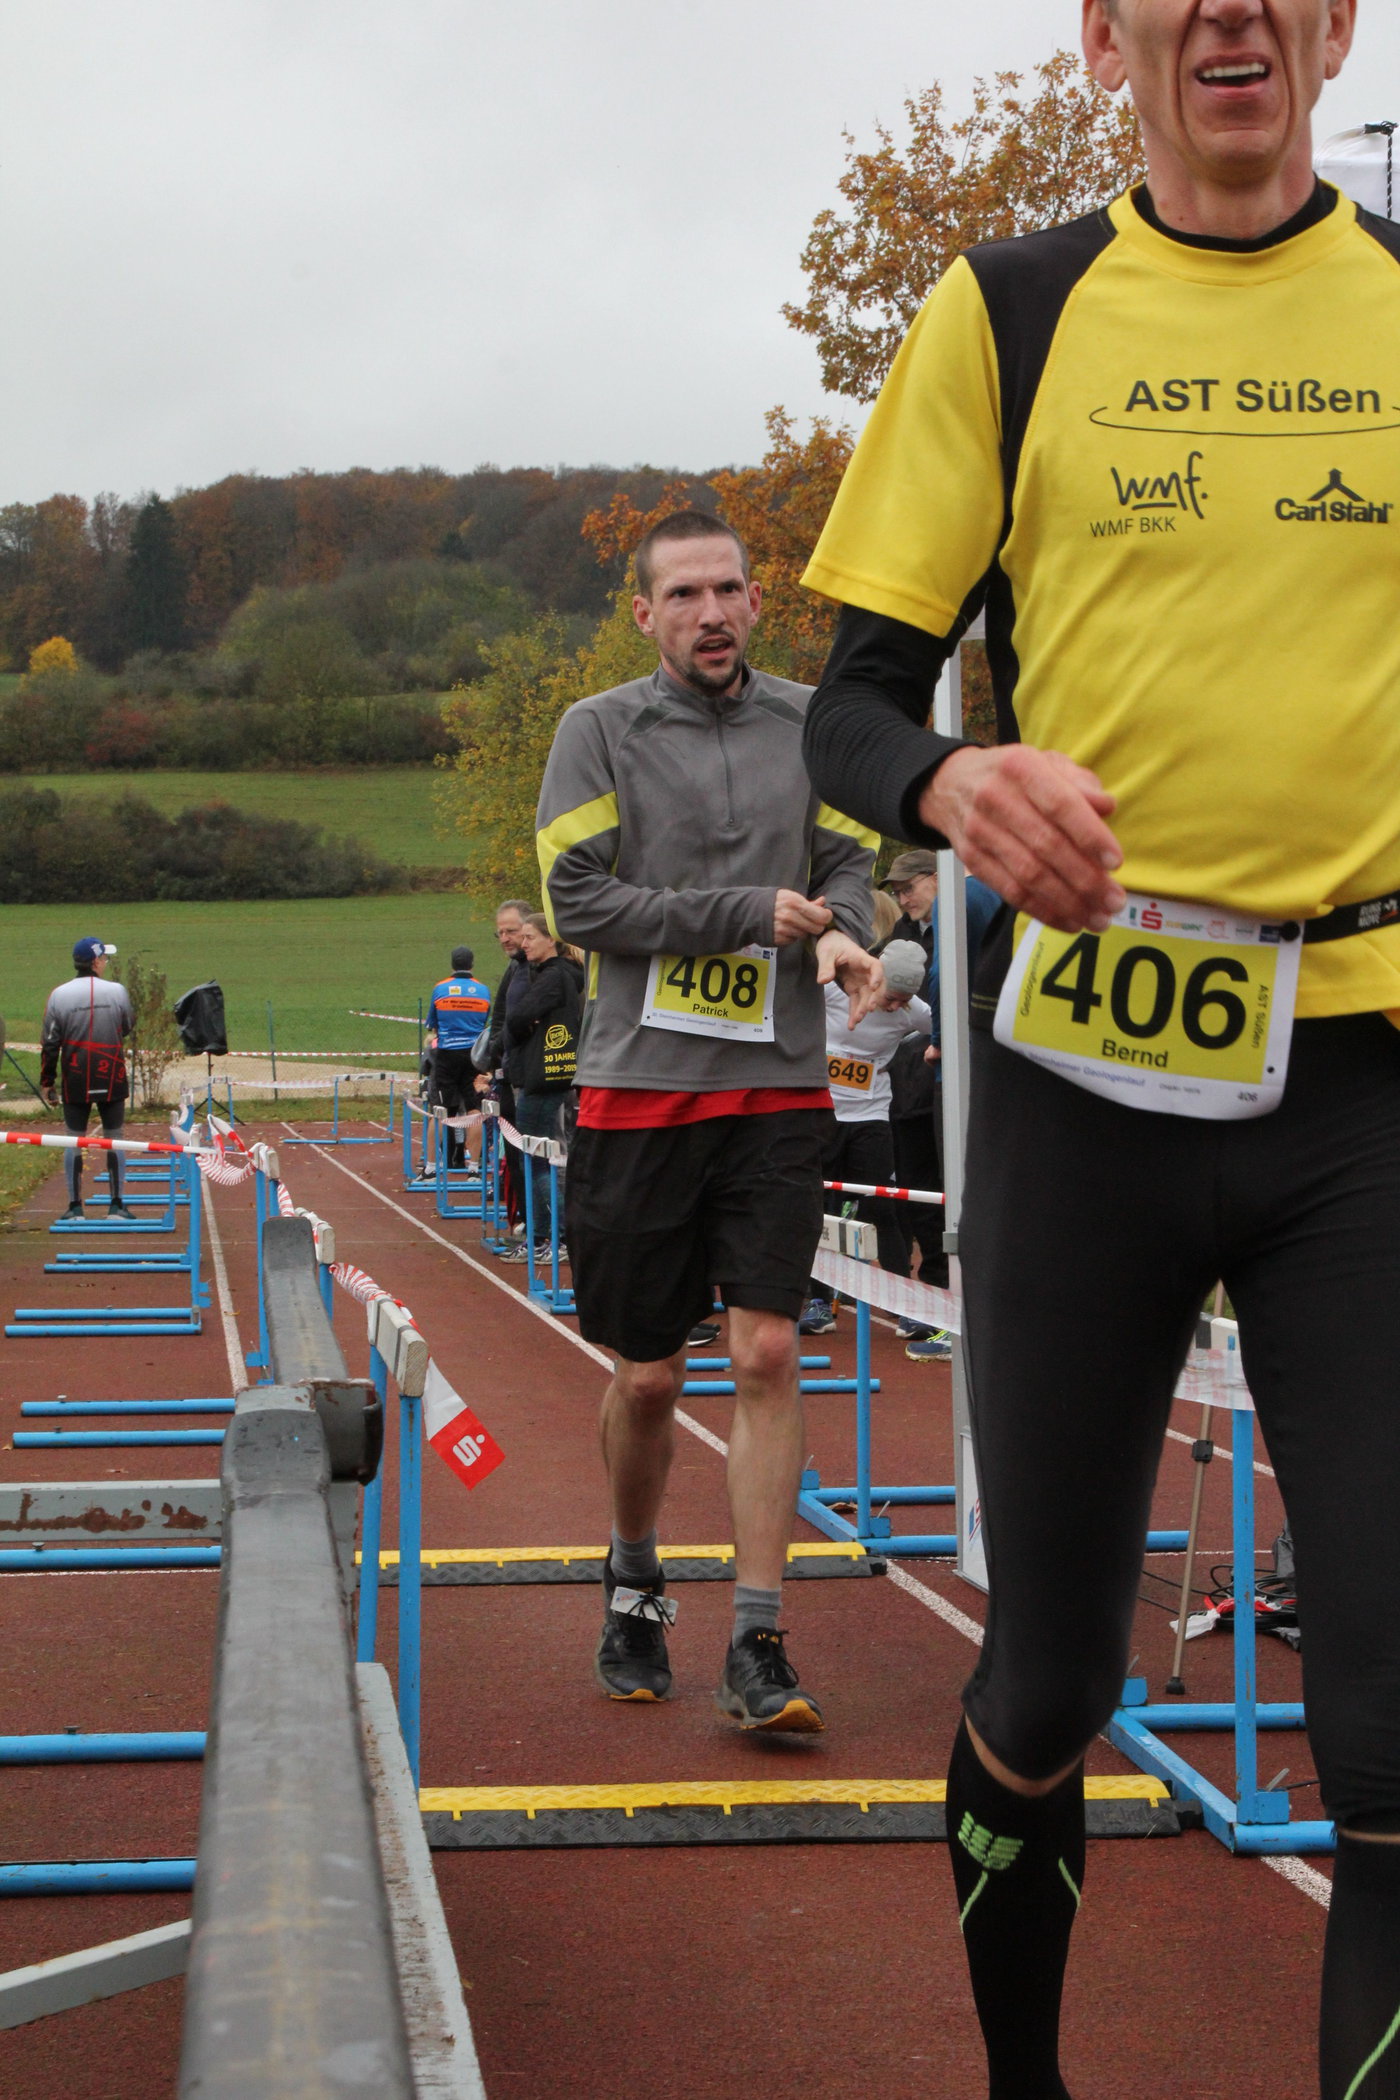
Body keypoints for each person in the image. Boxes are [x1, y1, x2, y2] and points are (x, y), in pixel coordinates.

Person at [801, 3, 1398, 2092]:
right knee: (1049, 1679)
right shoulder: (1010, 311)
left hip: (1365, 1087)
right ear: (1104, 36)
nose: (1228, 9)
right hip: (1078, 1074)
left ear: (1335, 27)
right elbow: (851, 704)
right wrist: (953, 785)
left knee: (1391, 1729)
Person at [537, 508, 882, 1731]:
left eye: (728, 589)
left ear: (755, 601)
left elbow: (850, 867)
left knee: (767, 1351)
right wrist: (740, 913)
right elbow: (576, 902)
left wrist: (845, 932)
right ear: (644, 614)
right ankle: (633, 1580)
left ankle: (757, 1636)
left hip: (777, 1088)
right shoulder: (596, 731)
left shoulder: (812, 725)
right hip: (640, 1091)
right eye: (682, 595)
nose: (711, 613)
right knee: (646, 1376)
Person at [884, 849, 1000, 1355]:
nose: (903, 898)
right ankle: (957, 1315)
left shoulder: (964, 896)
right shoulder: (978, 899)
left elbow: (948, 978)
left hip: (962, 1067)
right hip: (968, 1065)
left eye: (909, 887)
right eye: (896, 892)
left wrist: (940, 1041)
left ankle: (962, 1325)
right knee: (946, 1192)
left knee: (960, 1195)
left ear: (937, 875)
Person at [798, 937, 932, 1335]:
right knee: (816, 1206)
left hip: (870, 1115)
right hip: (821, 1110)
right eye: (890, 997)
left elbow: (948, 1025)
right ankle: (819, 1302)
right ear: (873, 976)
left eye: (903, 1002)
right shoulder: (835, 991)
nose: (894, 1007)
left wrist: (938, 1048)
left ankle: (906, 1305)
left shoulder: (914, 1010)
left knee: (880, 1207)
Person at [500, 913, 584, 1260]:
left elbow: (517, 1018)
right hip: (544, 1074)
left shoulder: (554, 975)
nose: (523, 944)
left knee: (536, 1159)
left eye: (530, 937)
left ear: (552, 940)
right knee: (533, 1158)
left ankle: (556, 1237)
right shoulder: (552, 974)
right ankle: (539, 1236)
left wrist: (525, 1025)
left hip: (544, 1075)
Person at [41, 936, 135, 1223]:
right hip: (112, 1075)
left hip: (75, 1078)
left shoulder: (59, 995)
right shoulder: (117, 991)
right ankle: (116, 1206)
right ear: (95, 962)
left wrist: (48, 1081)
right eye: (104, 958)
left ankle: (75, 1208)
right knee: (115, 1138)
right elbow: (127, 1026)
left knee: (73, 1141)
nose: (105, 962)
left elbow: (50, 1043)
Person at [476, 900, 534, 1235]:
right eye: (499, 932)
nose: (504, 938)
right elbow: (500, 1019)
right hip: (508, 1073)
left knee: (531, 1156)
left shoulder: (538, 970)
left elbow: (516, 1023)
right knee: (513, 1154)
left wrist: (498, 1051)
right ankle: (524, 1221)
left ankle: (537, 1228)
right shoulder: (515, 969)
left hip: (528, 1077)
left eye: (510, 931)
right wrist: (492, 1062)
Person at [426, 945, 491, 1170]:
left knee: (440, 1111)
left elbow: (433, 1024)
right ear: (472, 964)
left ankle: (431, 1167)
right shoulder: (483, 991)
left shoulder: (440, 988)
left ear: (452, 964)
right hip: (473, 1056)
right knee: (474, 1110)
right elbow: (484, 1024)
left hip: (447, 1054)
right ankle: (474, 1167)